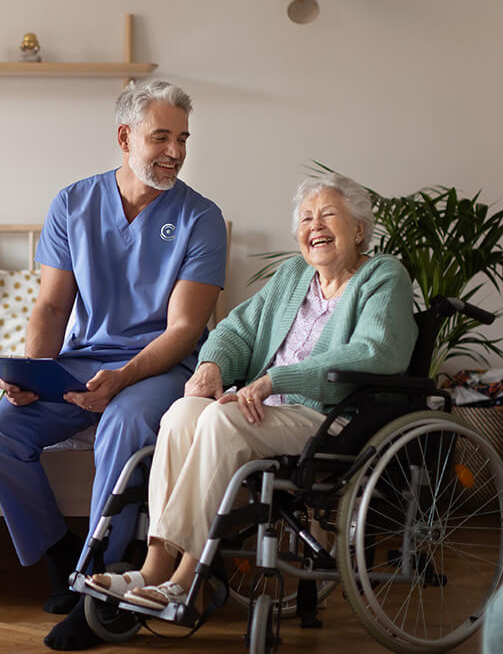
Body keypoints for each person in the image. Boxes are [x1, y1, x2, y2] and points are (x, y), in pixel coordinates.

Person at [0, 80, 227, 650]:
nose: (176, 152)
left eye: (182, 139)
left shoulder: (200, 218)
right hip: (84, 360)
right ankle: (60, 552)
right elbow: (52, 305)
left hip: (163, 367)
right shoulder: (72, 203)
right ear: (124, 137)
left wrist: (124, 380)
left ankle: (99, 585)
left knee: (125, 424)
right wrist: (30, 373)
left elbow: (185, 329)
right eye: (161, 137)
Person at [84, 172, 418, 613]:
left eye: (328, 215)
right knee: (184, 411)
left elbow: (376, 351)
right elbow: (235, 329)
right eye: (305, 218)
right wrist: (211, 366)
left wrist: (276, 381)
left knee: (221, 419)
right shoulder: (294, 275)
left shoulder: (383, 276)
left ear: (358, 229)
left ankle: (187, 579)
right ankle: (153, 567)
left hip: (328, 419)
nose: (314, 226)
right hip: (262, 412)